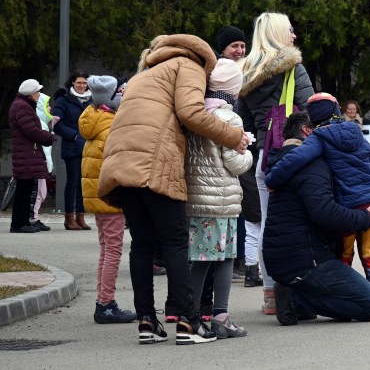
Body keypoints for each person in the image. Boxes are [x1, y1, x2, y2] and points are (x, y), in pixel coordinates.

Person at [98, 34, 249, 345]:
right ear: (204, 57)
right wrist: (235, 137)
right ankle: (189, 321)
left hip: (118, 161)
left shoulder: (144, 74)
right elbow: (191, 113)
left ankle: (147, 322)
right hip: (153, 162)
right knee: (175, 242)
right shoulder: (188, 66)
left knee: (141, 244)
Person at [268, 93, 370, 317]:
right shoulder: (356, 132)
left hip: (347, 207)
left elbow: (296, 158)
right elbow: (368, 162)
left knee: (343, 256)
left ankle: (347, 295)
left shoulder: (318, 137)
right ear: (338, 108)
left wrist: (272, 180)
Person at [237, 12, 314, 313]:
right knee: (300, 225)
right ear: (279, 34)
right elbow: (310, 112)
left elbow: (242, 120)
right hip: (294, 156)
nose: (294, 36)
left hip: (265, 161)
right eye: (290, 31)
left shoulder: (246, 73)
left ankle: (270, 294)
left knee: (268, 225)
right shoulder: (293, 66)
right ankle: (298, 293)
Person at [185, 59, 254, 339]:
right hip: (222, 199)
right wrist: (248, 149)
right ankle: (221, 317)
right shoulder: (230, 117)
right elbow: (235, 163)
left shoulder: (195, 113)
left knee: (200, 259)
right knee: (225, 258)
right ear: (234, 91)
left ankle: (189, 312)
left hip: (196, 197)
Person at [80, 76, 136, 324]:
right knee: (113, 251)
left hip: (97, 197)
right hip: (110, 199)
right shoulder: (111, 125)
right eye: (119, 93)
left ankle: (103, 300)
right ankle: (106, 304)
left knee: (106, 250)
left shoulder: (93, 119)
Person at [216, 25, 254, 284]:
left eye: (242, 45)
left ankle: (239, 259)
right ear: (223, 49)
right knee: (232, 204)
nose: (240, 50)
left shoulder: (246, 71)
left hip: (240, 139)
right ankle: (235, 259)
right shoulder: (220, 76)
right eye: (234, 46)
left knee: (240, 204)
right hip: (230, 144)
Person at [9, 80, 55, 233]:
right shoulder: (22, 106)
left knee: (27, 189)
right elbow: (31, 130)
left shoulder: (23, 105)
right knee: (24, 190)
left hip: (27, 153)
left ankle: (24, 222)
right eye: (37, 92)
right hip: (26, 154)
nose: (39, 94)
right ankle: (18, 224)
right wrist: (48, 137)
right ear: (29, 93)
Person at [52, 69, 91, 230]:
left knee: (83, 183)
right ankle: (69, 218)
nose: (81, 85)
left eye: (84, 82)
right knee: (73, 181)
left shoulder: (91, 99)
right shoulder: (63, 100)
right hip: (72, 146)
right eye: (78, 82)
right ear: (72, 83)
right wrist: (74, 136)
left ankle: (80, 217)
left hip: (88, 147)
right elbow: (57, 124)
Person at [29, 93, 54, 231]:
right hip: (40, 164)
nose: (50, 108)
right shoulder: (40, 125)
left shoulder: (43, 123)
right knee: (39, 192)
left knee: (41, 192)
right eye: (47, 105)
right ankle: (33, 218)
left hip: (42, 164)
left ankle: (34, 217)